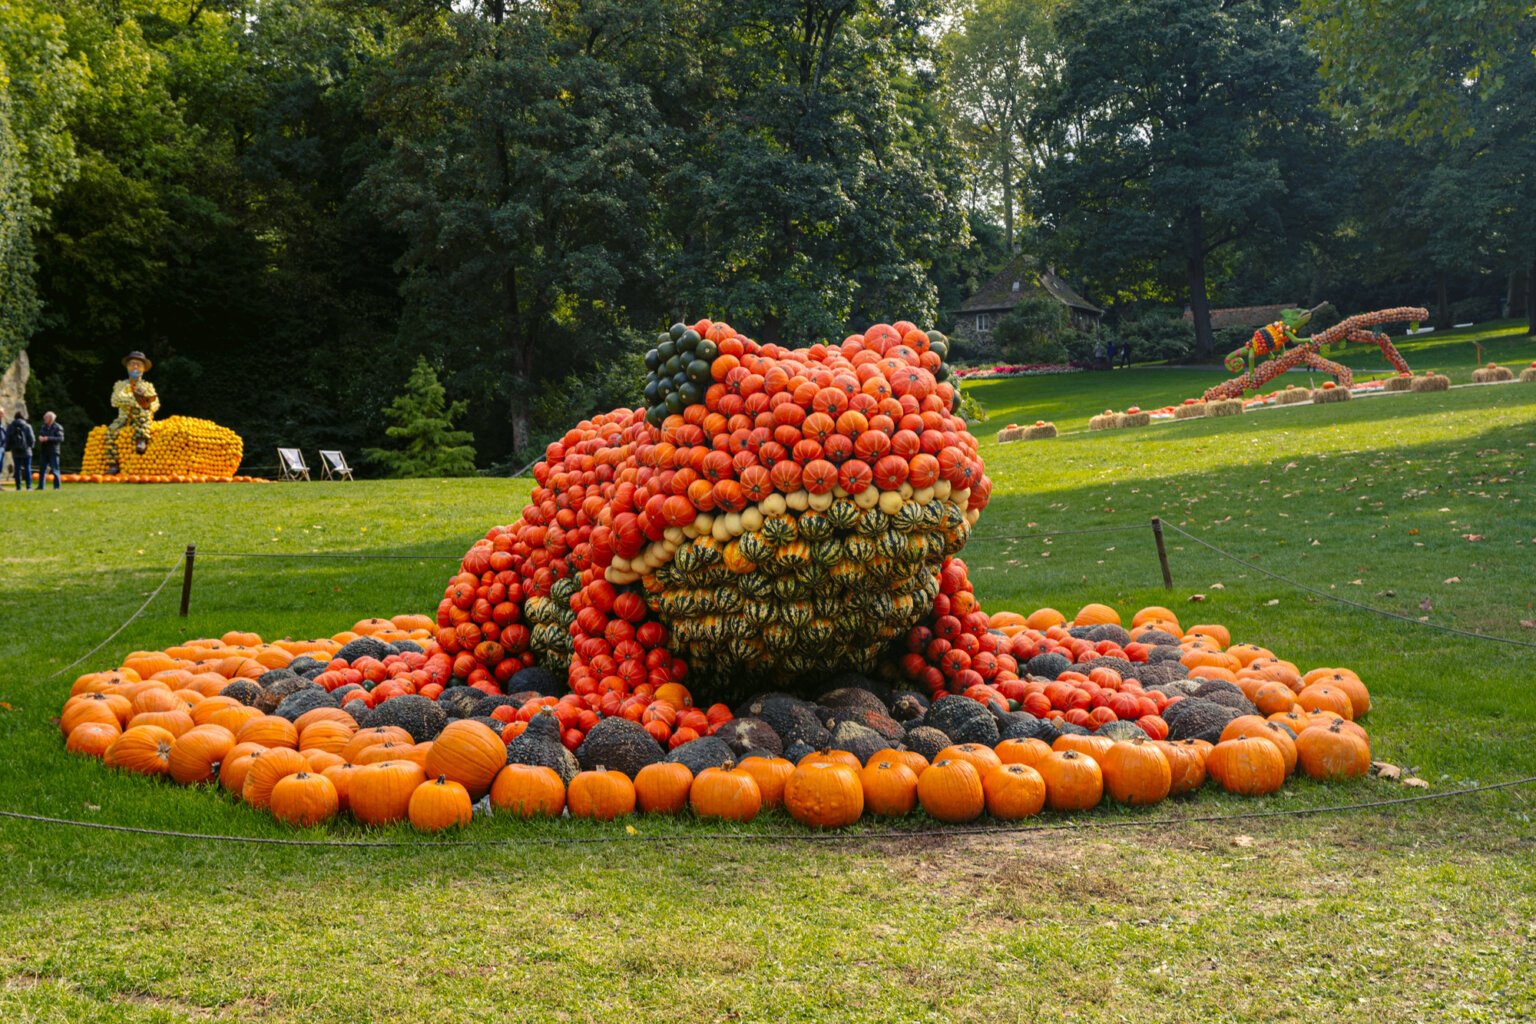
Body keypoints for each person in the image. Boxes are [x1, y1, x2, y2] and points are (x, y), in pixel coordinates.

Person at [105, 350, 159, 473]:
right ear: (127, 367)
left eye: (139, 365)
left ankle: (141, 438)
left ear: (144, 369)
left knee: (143, 416)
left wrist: (147, 405)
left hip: (141, 417)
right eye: (132, 364)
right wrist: (138, 401)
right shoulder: (120, 385)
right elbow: (116, 399)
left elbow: (155, 402)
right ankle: (113, 464)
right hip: (123, 418)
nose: (135, 367)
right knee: (111, 432)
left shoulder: (148, 386)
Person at [6, 410, 35, 490]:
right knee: (27, 468)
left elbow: (8, 438)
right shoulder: (27, 426)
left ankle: (18, 487)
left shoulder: (11, 426)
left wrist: (7, 448)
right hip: (26, 450)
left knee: (17, 469)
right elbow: (32, 439)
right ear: (23, 417)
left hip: (15, 450)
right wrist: (30, 447)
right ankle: (29, 487)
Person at [35, 411, 63, 490]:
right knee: (42, 469)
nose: (44, 419)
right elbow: (41, 434)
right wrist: (40, 438)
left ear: (50, 418)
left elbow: (60, 438)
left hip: (53, 451)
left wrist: (48, 438)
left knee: (55, 469)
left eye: (45, 418)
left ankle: (57, 487)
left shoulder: (58, 427)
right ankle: (41, 486)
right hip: (44, 451)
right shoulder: (43, 426)